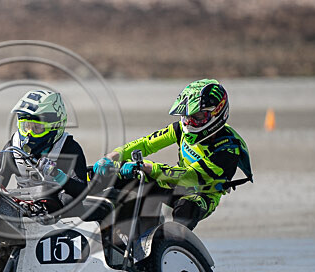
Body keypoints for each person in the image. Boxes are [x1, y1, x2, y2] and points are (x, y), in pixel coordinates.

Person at [92, 79, 252, 230]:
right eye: (187, 115)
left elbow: (191, 176)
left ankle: (174, 243)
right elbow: (146, 144)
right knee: (109, 174)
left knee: (185, 209)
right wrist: (112, 157)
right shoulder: (180, 128)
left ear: (217, 112)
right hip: (172, 183)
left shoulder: (228, 149)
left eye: (197, 116)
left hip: (202, 195)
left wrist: (147, 167)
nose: (189, 122)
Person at [0, 89, 88, 212]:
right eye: (26, 127)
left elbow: (82, 191)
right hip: (23, 208)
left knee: (70, 200)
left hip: (58, 212)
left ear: (55, 125)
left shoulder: (69, 148)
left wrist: (57, 174)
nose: (29, 134)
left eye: (37, 127)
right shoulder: (12, 147)